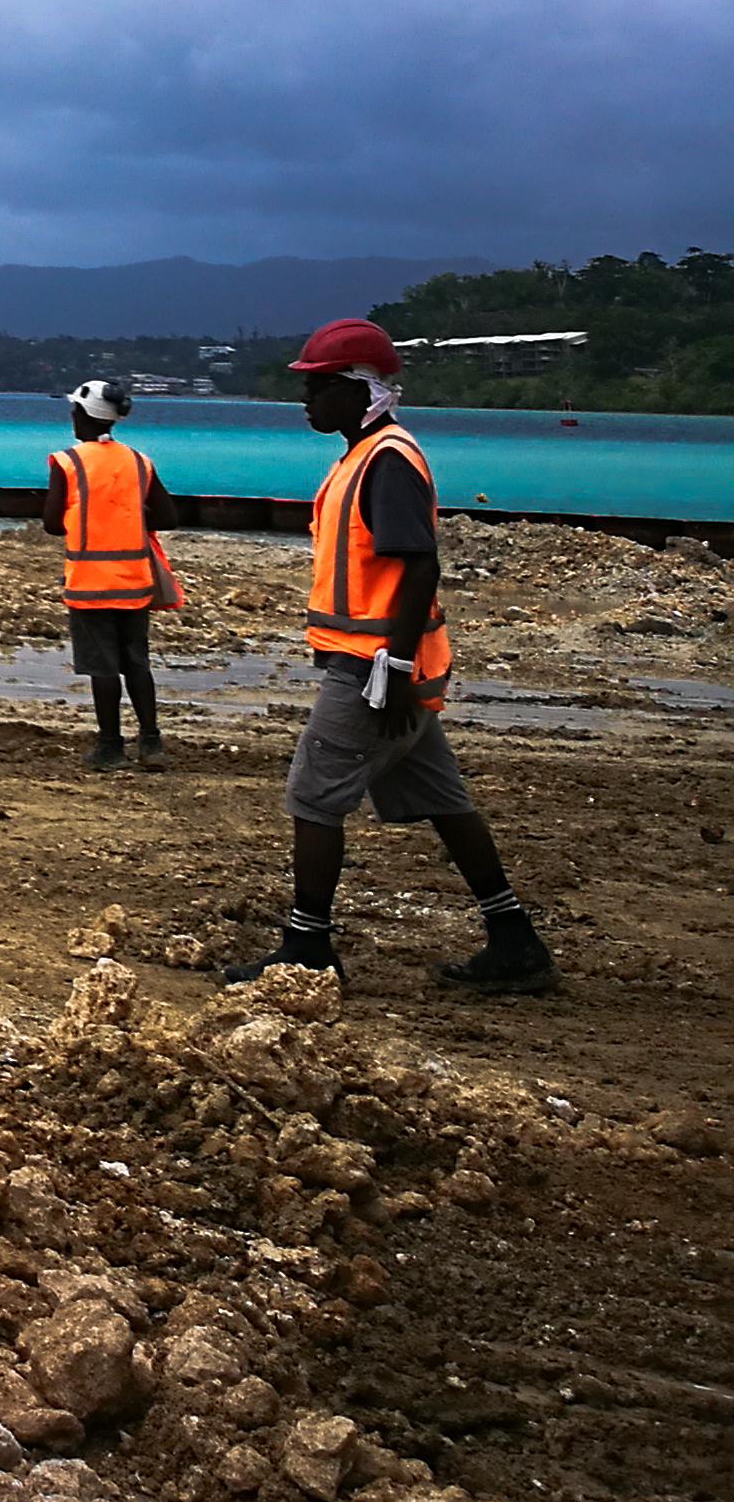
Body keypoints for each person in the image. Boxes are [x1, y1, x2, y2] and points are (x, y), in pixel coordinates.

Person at [227, 319, 555, 996]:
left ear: (362, 391)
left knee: (313, 798)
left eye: (320, 387)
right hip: (386, 663)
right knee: (443, 799)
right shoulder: (363, 455)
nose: (308, 401)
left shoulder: (386, 460)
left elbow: (419, 567)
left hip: (376, 668)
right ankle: (514, 938)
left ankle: (307, 945)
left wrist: (394, 668)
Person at [45, 377, 172, 771]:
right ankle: (151, 743)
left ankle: (110, 746)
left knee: (102, 668)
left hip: (89, 583)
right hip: (134, 581)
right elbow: (168, 515)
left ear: (82, 415)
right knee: (136, 662)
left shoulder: (68, 462)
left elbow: (51, 523)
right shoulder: (138, 461)